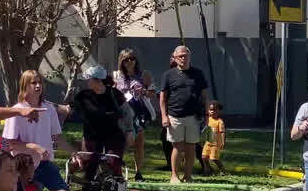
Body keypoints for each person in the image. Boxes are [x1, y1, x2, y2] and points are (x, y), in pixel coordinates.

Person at [0, 71, 75, 191]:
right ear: (24, 86)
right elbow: (8, 143)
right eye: (33, 83)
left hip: (43, 164)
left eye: (40, 82)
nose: (38, 86)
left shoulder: (48, 108)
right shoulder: (17, 111)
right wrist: (32, 147)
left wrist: (74, 153)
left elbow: (57, 137)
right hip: (22, 168)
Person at [158, 45, 209, 183]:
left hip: (193, 116)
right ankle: (174, 175)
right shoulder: (168, 75)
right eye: (180, 56)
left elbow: (204, 96)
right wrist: (164, 116)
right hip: (174, 116)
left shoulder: (198, 74)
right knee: (177, 147)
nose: (183, 58)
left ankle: (188, 175)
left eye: (186, 55)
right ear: (174, 57)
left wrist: (206, 115)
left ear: (190, 57)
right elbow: (162, 98)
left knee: (191, 147)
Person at [70, 66, 130, 181]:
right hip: (91, 139)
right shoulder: (83, 96)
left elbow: (128, 113)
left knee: (114, 168)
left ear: (97, 80)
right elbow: (69, 109)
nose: (87, 82)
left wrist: (130, 131)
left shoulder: (114, 94)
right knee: (89, 171)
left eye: (89, 79)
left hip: (113, 139)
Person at [114, 49, 158, 182]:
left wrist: (143, 91)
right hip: (122, 113)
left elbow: (153, 93)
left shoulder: (144, 75)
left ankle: (138, 172)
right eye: (126, 60)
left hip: (138, 113)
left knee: (138, 143)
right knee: (121, 142)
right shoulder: (117, 76)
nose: (129, 62)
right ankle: (117, 170)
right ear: (121, 62)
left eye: (132, 59)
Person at [202, 101, 226, 175]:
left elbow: (222, 132)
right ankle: (207, 171)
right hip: (207, 143)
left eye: (215, 110)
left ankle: (222, 170)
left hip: (215, 144)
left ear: (218, 111)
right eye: (211, 110)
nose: (212, 112)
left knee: (214, 158)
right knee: (204, 157)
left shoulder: (219, 121)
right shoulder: (207, 119)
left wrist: (223, 141)